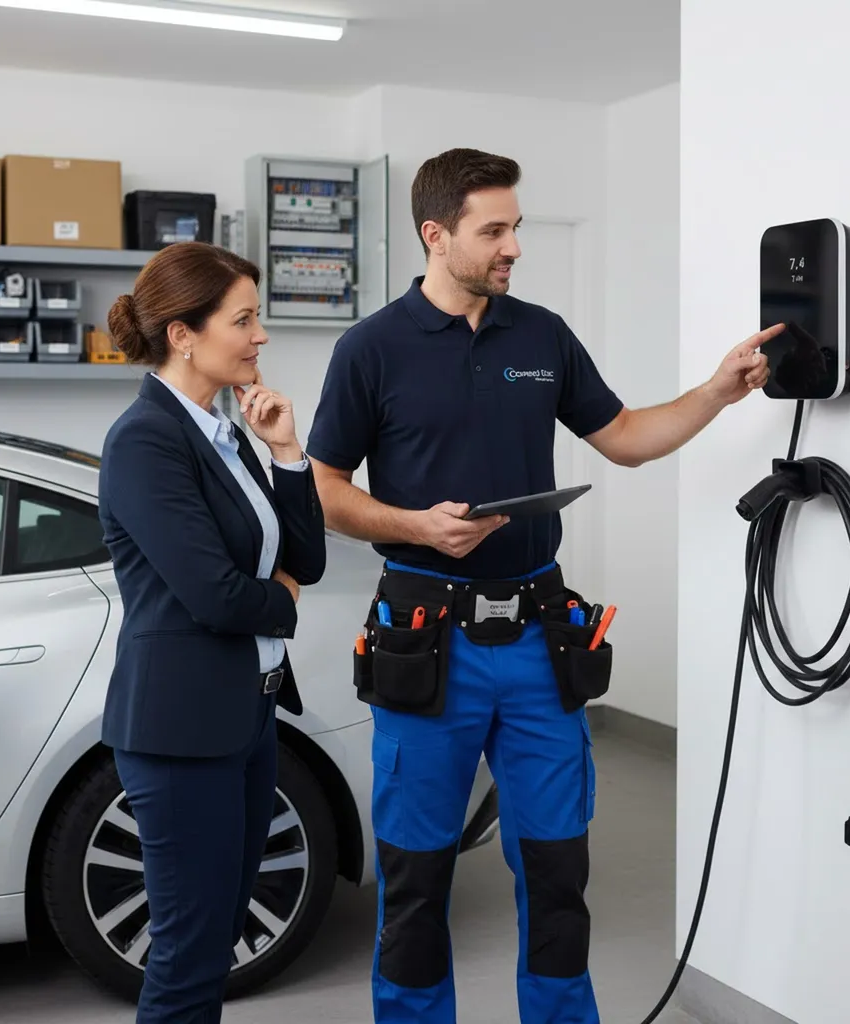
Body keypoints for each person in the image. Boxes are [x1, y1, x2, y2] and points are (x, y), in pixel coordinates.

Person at [304, 148, 781, 1024]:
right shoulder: (371, 349)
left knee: (559, 870)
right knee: (415, 879)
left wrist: (716, 393)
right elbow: (325, 491)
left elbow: (626, 436)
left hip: (536, 639)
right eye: (495, 230)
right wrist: (418, 526)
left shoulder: (543, 335)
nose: (513, 245)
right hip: (424, 640)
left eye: (516, 227)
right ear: (435, 234)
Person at [98, 241, 326, 1023]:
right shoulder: (145, 440)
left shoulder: (224, 431)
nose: (260, 336)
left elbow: (308, 560)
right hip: (181, 730)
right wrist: (282, 595)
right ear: (183, 335)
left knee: (222, 933)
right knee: (191, 955)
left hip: (249, 716)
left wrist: (287, 453)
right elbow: (218, 598)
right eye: (244, 319)